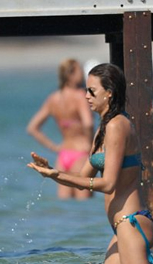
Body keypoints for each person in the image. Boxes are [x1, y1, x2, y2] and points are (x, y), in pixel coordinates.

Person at [28, 63, 153, 264]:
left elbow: (108, 184)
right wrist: (52, 171)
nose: (86, 95)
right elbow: (81, 178)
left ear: (109, 93)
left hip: (131, 224)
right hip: (121, 228)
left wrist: (57, 176)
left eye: (91, 91)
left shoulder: (118, 125)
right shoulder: (104, 128)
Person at [27, 59, 93, 200]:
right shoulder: (80, 96)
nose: (82, 74)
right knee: (84, 203)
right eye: (79, 70)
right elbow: (88, 124)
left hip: (63, 155)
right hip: (81, 153)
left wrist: (53, 147)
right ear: (70, 75)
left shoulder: (53, 99)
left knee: (64, 205)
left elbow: (32, 128)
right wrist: (92, 145)